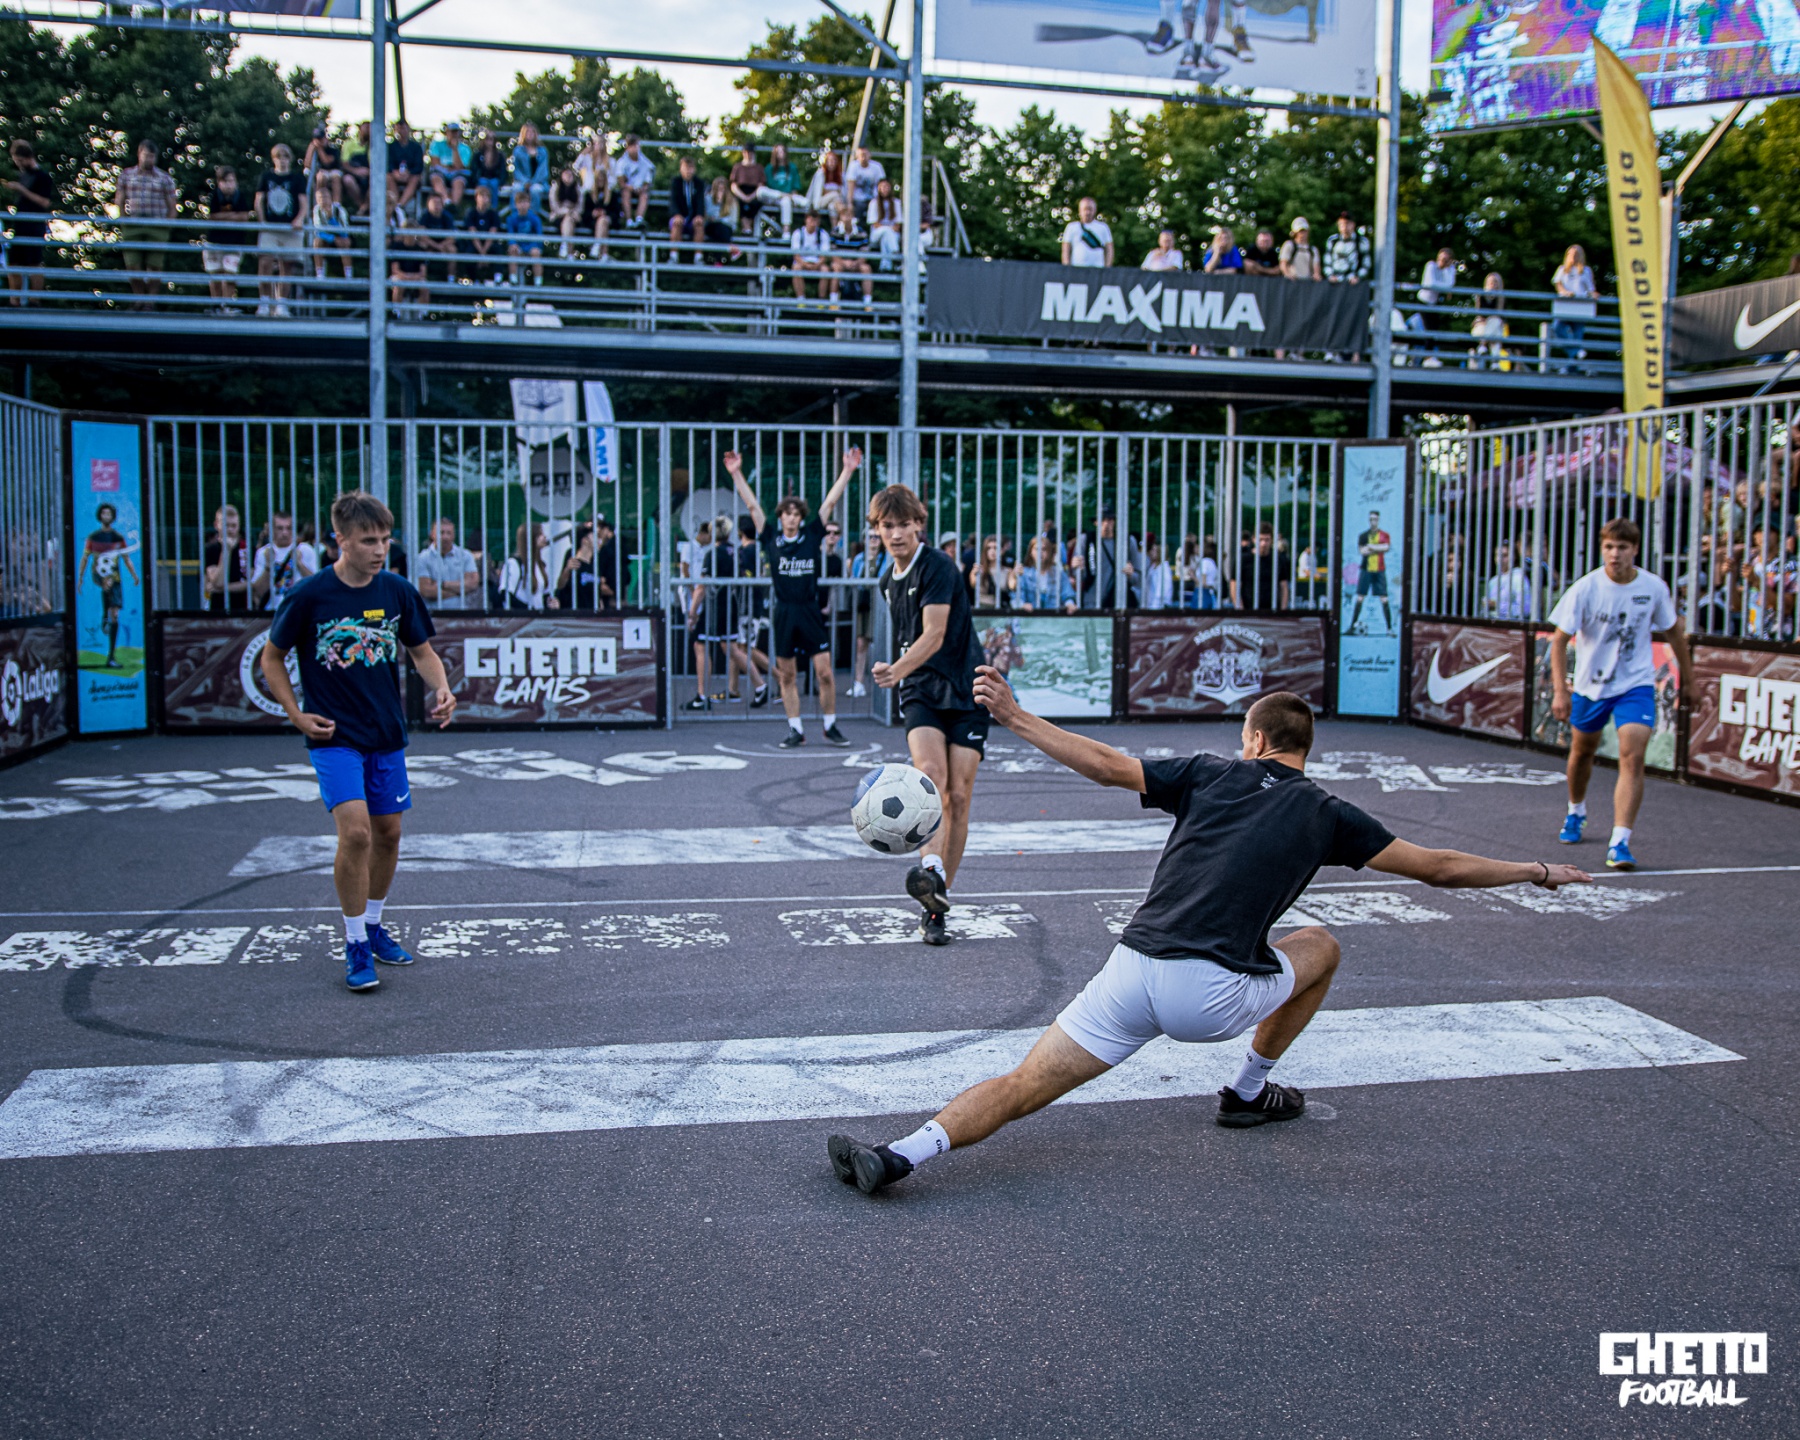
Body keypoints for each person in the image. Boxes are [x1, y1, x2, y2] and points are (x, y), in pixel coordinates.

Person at [825, 688, 1592, 1194]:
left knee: (1025, 1082)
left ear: (1254, 739)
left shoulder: (1211, 773)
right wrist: (1536, 871)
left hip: (1133, 968)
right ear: (1302, 749)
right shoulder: (1329, 813)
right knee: (1320, 946)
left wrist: (1018, 718)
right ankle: (1249, 1092)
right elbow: (1440, 868)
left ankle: (902, 1153)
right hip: (1211, 993)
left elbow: (1107, 766)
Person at [262, 490, 456, 993]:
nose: (379, 549)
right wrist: (295, 714)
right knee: (356, 834)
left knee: (388, 833)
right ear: (340, 540)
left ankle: (372, 925)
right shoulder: (309, 595)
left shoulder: (396, 590)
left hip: (385, 732)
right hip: (334, 736)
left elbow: (422, 652)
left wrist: (441, 688)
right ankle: (354, 943)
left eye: (385, 539)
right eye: (368, 540)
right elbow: (271, 657)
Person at [869, 482, 989, 946]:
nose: (896, 534)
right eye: (887, 526)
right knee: (931, 777)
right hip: (921, 689)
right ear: (877, 530)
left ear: (919, 524)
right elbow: (915, 641)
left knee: (959, 796)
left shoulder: (937, 566)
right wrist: (903, 673)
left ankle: (938, 902)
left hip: (966, 686)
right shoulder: (887, 579)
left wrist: (894, 669)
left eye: (904, 524)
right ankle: (931, 871)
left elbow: (934, 634)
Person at [1548, 517, 1693, 870]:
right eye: (1609, 547)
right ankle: (1576, 811)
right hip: (1591, 686)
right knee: (1582, 752)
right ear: (1602, 549)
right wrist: (1560, 691)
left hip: (1635, 684)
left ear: (1635, 550)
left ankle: (1620, 841)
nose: (1615, 554)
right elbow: (1559, 641)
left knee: (1632, 756)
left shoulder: (1653, 587)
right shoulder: (1585, 588)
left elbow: (1674, 633)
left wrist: (1690, 680)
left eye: (1623, 547)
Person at [725, 445, 861, 747]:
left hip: (809, 610)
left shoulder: (811, 534)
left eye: (795, 514)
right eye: (786, 514)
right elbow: (752, 507)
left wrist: (848, 470)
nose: (791, 518)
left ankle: (830, 725)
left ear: (800, 517)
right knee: (787, 675)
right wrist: (736, 474)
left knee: (825, 673)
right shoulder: (771, 538)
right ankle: (795, 728)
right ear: (781, 517)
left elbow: (830, 501)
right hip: (785, 611)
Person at [113, 139, 178, 309]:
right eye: (146, 155)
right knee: (132, 264)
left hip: (157, 224)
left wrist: (167, 224)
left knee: (155, 265)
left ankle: (150, 301)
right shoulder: (126, 175)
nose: (149, 159)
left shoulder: (164, 178)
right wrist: (123, 220)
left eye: (152, 156)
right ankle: (139, 298)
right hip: (133, 223)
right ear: (139, 154)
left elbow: (173, 206)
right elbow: (119, 200)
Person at [77, 503, 137, 667]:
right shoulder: (94, 537)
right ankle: (105, 613)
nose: (106, 516)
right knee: (107, 583)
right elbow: (85, 558)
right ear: (100, 516)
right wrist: (81, 577)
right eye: (104, 513)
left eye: (109, 514)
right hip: (99, 575)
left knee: (115, 615)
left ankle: (111, 656)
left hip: (115, 578)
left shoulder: (117, 537)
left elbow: (126, 558)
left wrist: (134, 575)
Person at [254, 142, 308, 319]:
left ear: (290, 159)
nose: (282, 160)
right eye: (279, 157)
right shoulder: (266, 176)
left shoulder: (297, 178)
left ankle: (282, 304)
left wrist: (299, 219)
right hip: (270, 228)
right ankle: (264, 302)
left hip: (291, 229)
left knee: (287, 266)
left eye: (285, 157)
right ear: (273, 159)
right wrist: (262, 222)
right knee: (265, 263)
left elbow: (304, 203)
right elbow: (259, 201)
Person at [4, 139, 55, 307]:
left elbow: (44, 202)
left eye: (19, 160)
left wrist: (22, 190)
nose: (18, 164)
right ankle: (15, 300)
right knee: (13, 263)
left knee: (34, 263)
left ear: (27, 157)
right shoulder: (23, 176)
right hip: (20, 225)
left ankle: (34, 300)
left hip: (34, 225)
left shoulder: (42, 177)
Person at [200, 165, 252, 312]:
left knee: (230, 273)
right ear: (219, 182)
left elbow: (244, 217)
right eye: (226, 181)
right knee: (215, 274)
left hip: (235, 242)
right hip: (214, 241)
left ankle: (228, 304)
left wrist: (224, 217)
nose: (229, 185)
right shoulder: (214, 196)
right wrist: (234, 216)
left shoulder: (240, 196)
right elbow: (212, 216)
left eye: (232, 181)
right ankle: (216, 305)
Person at [250, 509, 318, 611]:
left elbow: (316, 584)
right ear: (272, 530)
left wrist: (300, 564)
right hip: (272, 611)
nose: (285, 533)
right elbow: (258, 591)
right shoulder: (263, 553)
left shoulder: (306, 550)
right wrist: (268, 566)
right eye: (280, 528)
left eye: (289, 528)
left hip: (300, 610)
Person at [1078, 507, 1141, 608]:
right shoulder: (1086, 540)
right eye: (1102, 519)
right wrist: (1078, 568)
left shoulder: (1127, 541)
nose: (1106, 523)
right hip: (1092, 601)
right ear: (1095, 522)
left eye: (1110, 519)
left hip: (1119, 601)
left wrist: (1131, 574)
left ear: (1115, 521)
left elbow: (1139, 578)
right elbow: (1077, 575)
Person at [415, 516, 481, 611]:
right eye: (441, 533)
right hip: (432, 614)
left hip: (462, 613)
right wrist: (459, 592)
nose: (445, 537)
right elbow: (426, 590)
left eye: (449, 533)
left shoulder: (465, 556)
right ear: (432, 534)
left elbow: (472, 583)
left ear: (454, 535)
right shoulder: (423, 558)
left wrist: (443, 584)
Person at [1551, 244, 1597, 374]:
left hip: (1580, 308)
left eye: (1576, 254)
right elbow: (1558, 285)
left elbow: (1590, 289)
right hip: (1565, 307)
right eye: (1571, 254)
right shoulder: (1562, 269)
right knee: (1558, 328)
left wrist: (1594, 295)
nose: (1573, 256)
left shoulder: (1586, 271)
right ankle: (1576, 352)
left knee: (1577, 337)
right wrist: (1565, 292)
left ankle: (1571, 368)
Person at [1346, 509, 1392, 633]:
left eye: (1375, 519)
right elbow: (1362, 551)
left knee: (1384, 598)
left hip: (1379, 570)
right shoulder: (1363, 535)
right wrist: (1378, 548)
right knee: (1360, 597)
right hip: (1366, 570)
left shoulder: (1384, 535)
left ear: (1378, 520)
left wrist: (1371, 546)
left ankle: (1389, 628)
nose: (1373, 522)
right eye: (1371, 519)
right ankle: (1352, 626)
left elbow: (1386, 547)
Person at [1010, 535, 1076, 612]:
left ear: (1049, 552)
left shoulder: (1058, 573)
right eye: (1036, 549)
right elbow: (1017, 597)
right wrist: (1022, 605)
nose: (1040, 552)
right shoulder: (1024, 573)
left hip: (1053, 617)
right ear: (1031, 552)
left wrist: (1070, 604)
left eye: (1044, 549)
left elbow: (1067, 594)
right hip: (1030, 617)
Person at [1232, 522, 1290, 609]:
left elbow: (1284, 586)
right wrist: (1240, 609)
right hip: (1248, 609)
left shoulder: (1278, 559)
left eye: (1267, 540)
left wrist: (1283, 609)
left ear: (1272, 540)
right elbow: (1234, 585)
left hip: (1273, 610)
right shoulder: (1243, 559)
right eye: (1260, 539)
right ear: (1254, 539)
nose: (1263, 543)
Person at [202, 505, 249, 611]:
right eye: (226, 525)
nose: (230, 530)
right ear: (216, 525)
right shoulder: (210, 549)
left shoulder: (247, 548)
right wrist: (226, 550)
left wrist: (222, 589)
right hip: (217, 609)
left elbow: (251, 584)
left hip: (243, 609)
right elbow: (218, 582)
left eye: (234, 526)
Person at [499, 521, 555, 608]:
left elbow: (543, 595)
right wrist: (527, 610)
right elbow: (506, 594)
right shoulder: (514, 563)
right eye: (540, 534)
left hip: (537, 615)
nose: (544, 537)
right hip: (520, 615)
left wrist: (551, 604)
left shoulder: (540, 565)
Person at [310, 175, 354, 288]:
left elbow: (345, 232)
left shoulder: (340, 210)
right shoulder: (317, 210)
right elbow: (317, 231)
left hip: (341, 237)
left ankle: (348, 275)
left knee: (346, 243)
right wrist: (333, 239)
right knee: (317, 242)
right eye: (320, 198)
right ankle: (320, 274)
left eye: (325, 197)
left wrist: (331, 219)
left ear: (330, 198)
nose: (323, 201)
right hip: (327, 238)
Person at [1417, 246, 1458, 364]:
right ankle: (1427, 357)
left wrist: (1449, 269)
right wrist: (1444, 287)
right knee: (1428, 328)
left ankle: (1429, 356)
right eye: (1440, 258)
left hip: (1434, 303)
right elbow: (1431, 284)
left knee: (1434, 328)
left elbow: (1450, 284)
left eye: (1445, 260)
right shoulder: (1430, 266)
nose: (1442, 262)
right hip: (1424, 301)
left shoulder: (1448, 270)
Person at [829, 198, 871, 302]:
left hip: (856, 263)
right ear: (840, 217)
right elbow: (832, 253)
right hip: (840, 262)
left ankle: (867, 302)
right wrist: (844, 262)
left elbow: (864, 254)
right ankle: (833, 301)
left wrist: (855, 263)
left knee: (866, 269)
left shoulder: (862, 233)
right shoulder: (834, 232)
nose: (847, 218)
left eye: (849, 215)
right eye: (844, 215)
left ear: (853, 217)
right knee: (836, 268)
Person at [666, 154, 706, 263]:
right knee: (676, 223)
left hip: (693, 218)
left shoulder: (699, 183)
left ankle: (698, 257)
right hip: (679, 215)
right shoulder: (676, 182)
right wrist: (677, 214)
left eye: (691, 168)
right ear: (681, 169)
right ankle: (673, 256)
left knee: (699, 224)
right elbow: (673, 201)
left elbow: (701, 202)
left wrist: (699, 215)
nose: (688, 171)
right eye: (686, 168)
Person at [503, 189, 546, 286]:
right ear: (516, 205)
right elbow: (510, 235)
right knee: (512, 250)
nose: (523, 205)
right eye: (520, 202)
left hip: (531, 245)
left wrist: (535, 246)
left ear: (529, 204)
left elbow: (539, 235)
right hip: (518, 246)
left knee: (536, 252)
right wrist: (513, 244)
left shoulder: (535, 219)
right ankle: (513, 279)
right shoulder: (511, 219)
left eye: (525, 202)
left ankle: (538, 281)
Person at [385, 119, 426, 216]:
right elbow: (388, 163)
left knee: (415, 178)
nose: (401, 131)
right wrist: (395, 172)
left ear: (408, 130)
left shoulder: (416, 147)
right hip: (395, 175)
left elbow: (419, 166)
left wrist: (409, 173)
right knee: (388, 177)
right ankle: (394, 204)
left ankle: (400, 206)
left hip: (411, 175)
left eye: (403, 128)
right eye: (399, 129)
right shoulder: (390, 147)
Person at [614, 134, 655, 230]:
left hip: (640, 190)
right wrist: (631, 187)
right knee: (625, 193)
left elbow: (648, 181)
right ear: (627, 147)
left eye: (635, 145)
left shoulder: (646, 163)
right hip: (627, 189)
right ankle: (629, 220)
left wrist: (642, 188)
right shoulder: (621, 162)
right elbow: (621, 183)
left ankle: (639, 219)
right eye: (631, 145)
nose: (634, 148)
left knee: (645, 195)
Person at [464, 184, 503, 283]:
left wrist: (483, 253)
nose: (484, 199)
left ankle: (498, 278)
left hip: (489, 244)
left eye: (487, 196)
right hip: (476, 244)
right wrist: (482, 255)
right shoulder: (471, 213)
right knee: (469, 252)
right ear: (476, 198)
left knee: (498, 250)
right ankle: (473, 279)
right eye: (481, 196)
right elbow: (473, 234)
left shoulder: (493, 214)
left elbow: (492, 234)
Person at [790, 207, 831, 300]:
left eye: (815, 219)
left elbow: (824, 256)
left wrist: (817, 265)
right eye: (811, 219)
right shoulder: (798, 233)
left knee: (825, 270)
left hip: (817, 262)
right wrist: (805, 264)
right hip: (802, 262)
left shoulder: (823, 234)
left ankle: (821, 300)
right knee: (796, 268)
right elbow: (796, 255)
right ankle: (801, 299)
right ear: (806, 220)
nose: (813, 222)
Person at [426, 121, 470, 207]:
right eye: (451, 132)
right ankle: (446, 201)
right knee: (436, 178)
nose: (454, 135)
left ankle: (453, 206)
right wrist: (450, 167)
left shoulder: (465, 148)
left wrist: (455, 149)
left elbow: (459, 166)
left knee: (459, 182)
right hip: (440, 171)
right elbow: (435, 163)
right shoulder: (436, 144)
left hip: (457, 173)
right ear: (446, 133)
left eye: (456, 132)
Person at [1060, 196, 1113, 268]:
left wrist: (1107, 268)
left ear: (1095, 210)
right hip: (1077, 268)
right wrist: (1067, 268)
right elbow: (1066, 249)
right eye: (1085, 209)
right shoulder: (1071, 227)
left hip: (1098, 269)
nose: (1087, 212)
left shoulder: (1103, 227)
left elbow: (1109, 249)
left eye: (1090, 209)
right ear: (1080, 210)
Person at [509, 122, 549, 216]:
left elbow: (543, 170)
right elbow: (516, 170)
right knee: (516, 189)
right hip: (521, 181)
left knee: (535, 190)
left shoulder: (543, 151)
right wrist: (525, 182)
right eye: (527, 132)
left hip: (538, 182)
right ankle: (515, 216)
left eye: (532, 132)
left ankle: (533, 216)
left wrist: (533, 182)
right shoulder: (517, 150)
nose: (530, 134)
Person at [1485, 540, 1529, 620]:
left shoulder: (1519, 578)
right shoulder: (1492, 581)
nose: (1500, 559)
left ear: (1514, 557)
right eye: (1497, 555)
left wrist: (1498, 606)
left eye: (1505, 555)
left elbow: (1525, 609)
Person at [1471, 272, 1507, 369]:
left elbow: (1498, 314)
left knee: (1495, 322)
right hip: (1481, 325)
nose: (1493, 284)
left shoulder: (1500, 297)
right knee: (1495, 332)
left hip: (1492, 325)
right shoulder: (1480, 295)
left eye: (1495, 282)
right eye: (1491, 282)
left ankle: (1483, 346)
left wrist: (1490, 319)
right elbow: (1479, 314)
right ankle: (1495, 362)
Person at [550, 165, 585, 260]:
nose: (568, 176)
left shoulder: (578, 189)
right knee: (568, 220)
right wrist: (565, 211)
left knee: (569, 220)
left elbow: (580, 206)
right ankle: (570, 252)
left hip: (574, 216)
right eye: (566, 174)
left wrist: (571, 212)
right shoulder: (556, 187)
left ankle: (565, 245)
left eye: (570, 174)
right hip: (558, 216)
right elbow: (554, 206)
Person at [470, 130, 508, 210]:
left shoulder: (500, 156)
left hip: (494, 179)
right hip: (481, 178)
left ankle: (493, 209)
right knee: (483, 182)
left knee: (494, 183)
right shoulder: (477, 155)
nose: (490, 142)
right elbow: (474, 169)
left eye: (492, 139)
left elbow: (503, 171)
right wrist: (475, 180)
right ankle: (481, 208)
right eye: (487, 139)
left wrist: (501, 182)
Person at [803, 147, 846, 215]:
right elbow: (818, 191)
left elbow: (843, 191)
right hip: (820, 202)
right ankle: (845, 214)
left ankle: (837, 222)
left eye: (834, 160)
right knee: (835, 194)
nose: (832, 163)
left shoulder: (841, 175)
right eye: (830, 160)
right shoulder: (820, 174)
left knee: (832, 207)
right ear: (826, 162)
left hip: (834, 201)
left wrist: (828, 191)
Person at [341, 121, 372, 214]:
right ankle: (361, 206)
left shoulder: (374, 146)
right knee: (347, 180)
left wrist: (369, 172)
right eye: (366, 128)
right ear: (360, 130)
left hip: (369, 175)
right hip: (353, 174)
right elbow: (344, 163)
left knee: (376, 182)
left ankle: (365, 207)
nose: (368, 131)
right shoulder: (349, 144)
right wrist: (356, 171)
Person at [845, 144, 885, 213]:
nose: (863, 157)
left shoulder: (877, 167)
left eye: (865, 154)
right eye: (861, 155)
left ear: (870, 155)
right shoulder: (853, 166)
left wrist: (883, 200)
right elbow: (850, 187)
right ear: (857, 156)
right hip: (858, 199)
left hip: (874, 198)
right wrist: (849, 203)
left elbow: (882, 184)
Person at [1141, 535, 1174, 609]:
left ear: (1160, 552)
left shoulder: (1164, 568)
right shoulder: (1153, 566)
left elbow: (1162, 592)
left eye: (1153, 550)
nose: (1150, 552)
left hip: (1159, 607)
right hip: (1150, 605)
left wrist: (1153, 608)